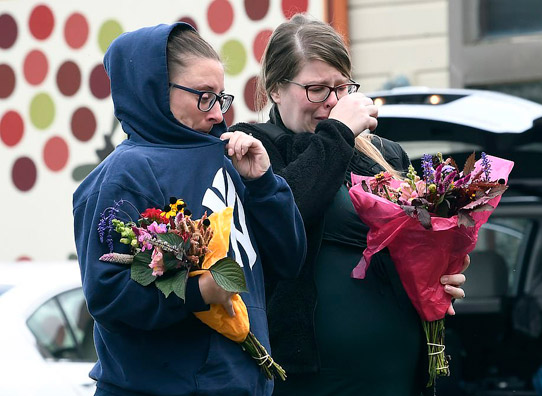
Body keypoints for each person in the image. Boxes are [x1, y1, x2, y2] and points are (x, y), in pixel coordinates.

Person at [230, 14, 469, 396]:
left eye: (342, 88)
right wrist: (338, 132)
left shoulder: (385, 154)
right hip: (309, 377)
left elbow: (418, 245)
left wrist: (443, 272)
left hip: (397, 367)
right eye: (316, 89)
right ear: (275, 89)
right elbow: (285, 215)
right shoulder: (254, 147)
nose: (333, 102)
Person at [73, 22, 306, 396]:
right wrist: (198, 292)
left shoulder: (228, 157)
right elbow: (109, 296)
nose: (217, 114)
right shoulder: (125, 174)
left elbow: (288, 260)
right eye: (204, 96)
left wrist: (264, 184)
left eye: (221, 97)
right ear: (153, 91)